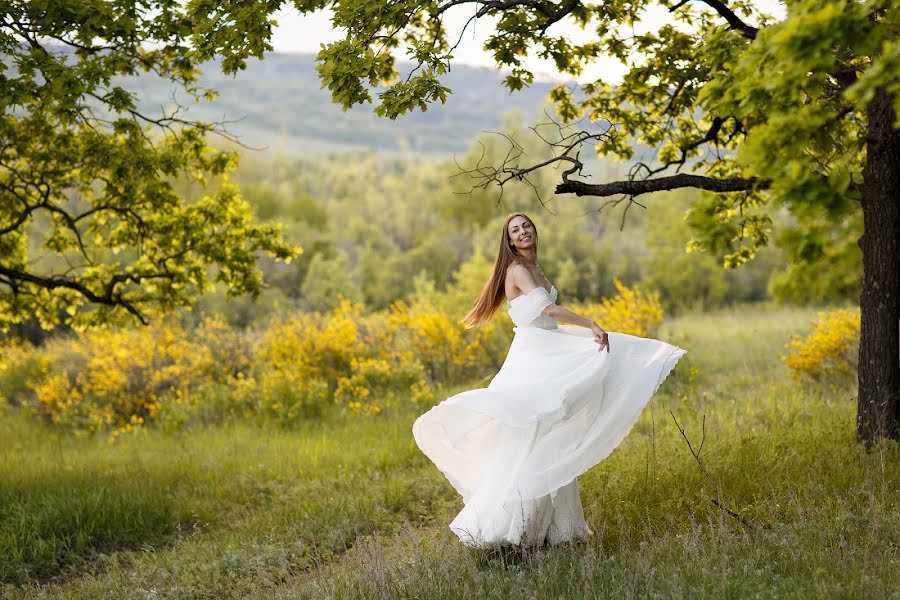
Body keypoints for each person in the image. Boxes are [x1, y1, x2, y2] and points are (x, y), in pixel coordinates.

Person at [412, 213, 686, 548]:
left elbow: (550, 319)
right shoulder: (517, 270)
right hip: (534, 355)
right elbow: (548, 311)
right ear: (510, 241)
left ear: (534, 231)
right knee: (531, 431)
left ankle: (544, 529)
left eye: (526, 226)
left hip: (548, 347)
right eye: (515, 230)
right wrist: (591, 325)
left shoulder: (535, 267)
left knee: (548, 433)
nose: (523, 231)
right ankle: (512, 528)